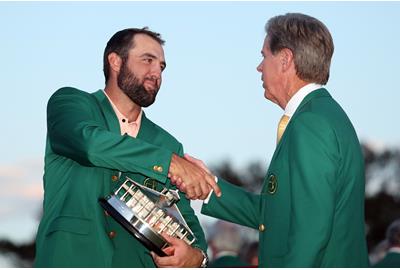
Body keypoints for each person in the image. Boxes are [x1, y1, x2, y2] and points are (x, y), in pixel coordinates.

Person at [176, 13, 370, 267]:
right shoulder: (320, 115)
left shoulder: (310, 124)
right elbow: (274, 213)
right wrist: (207, 187)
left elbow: (311, 230)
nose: (259, 66)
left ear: (286, 59)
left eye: (264, 55)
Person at [34, 27, 218, 267]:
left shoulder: (167, 143)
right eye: (147, 60)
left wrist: (197, 257)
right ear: (115, 61)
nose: (157, 73)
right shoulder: (70, 103)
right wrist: (169, 163)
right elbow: (89, 144)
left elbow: (185, 220)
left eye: (161, 66)